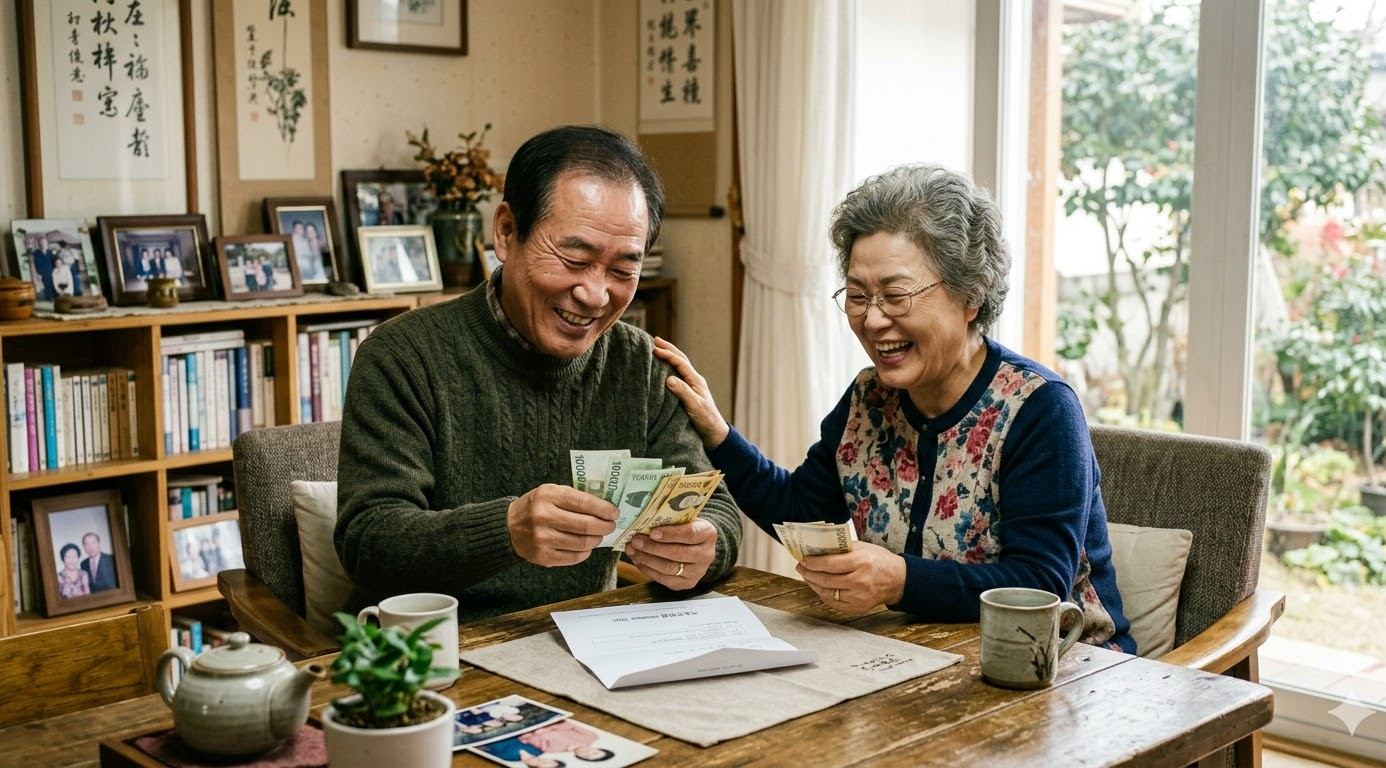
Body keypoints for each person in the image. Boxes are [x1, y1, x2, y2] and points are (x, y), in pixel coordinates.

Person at [653, 164, 1135, 653]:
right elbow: (801, 512)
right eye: (858, 296)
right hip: (919, 658)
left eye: (896, 295)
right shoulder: (868, 399)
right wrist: (718, 433)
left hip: (1065, 669)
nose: (872, 318)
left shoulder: (1039, 408)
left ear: (971, 294)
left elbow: (1039, 584)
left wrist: (899, 580)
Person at [335, 124, 742, 624]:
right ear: (506, 232)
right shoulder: (403, 356)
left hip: (588, 642)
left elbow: (716, 510)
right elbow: (368, 543)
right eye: (574, 258)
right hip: (438, 651)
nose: (595, 295)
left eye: (622, 271)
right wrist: (505, 531)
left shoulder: (641, 364)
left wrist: (705, 547)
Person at [518, 720, 614, 762]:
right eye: (594, 752)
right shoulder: (591, 737)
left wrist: (534, 734)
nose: (587, 753)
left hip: (526, 727)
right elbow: (570, 724)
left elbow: (528, 739)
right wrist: (549, 729)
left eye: (586, 757)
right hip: (549, 720)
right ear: (598, 748)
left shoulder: (554, 751)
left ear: (580, 757)